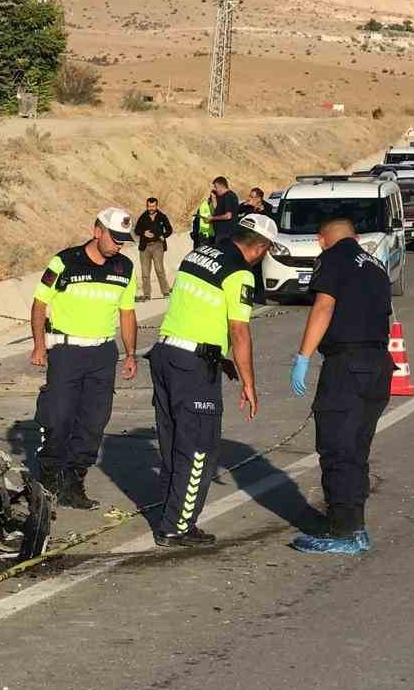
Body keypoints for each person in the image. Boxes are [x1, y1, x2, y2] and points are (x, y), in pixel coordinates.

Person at [147, 211, 276, 547]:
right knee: (199, 447)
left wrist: (218, 357)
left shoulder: (198, 254)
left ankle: (169, 513)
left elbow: (195, 312)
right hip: (192, 367)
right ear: (260, 248)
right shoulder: (240, 273)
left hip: (166, 354)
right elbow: (239, 330)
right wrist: (249, 383)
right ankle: (177, 526)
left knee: (173, 443)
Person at [287, 211, 395, 553]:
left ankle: (342, 532)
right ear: (356, 238)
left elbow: (324, 306)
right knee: (357, 449)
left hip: (347, 365)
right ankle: (354, 525)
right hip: (379, 365)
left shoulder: (332, 258)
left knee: (337, 448)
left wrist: (303, 356)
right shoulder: (376, 265)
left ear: (322, 240)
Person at [29, 208, 139, 510]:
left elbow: (127, 313)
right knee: (58, 417)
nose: (118, 245)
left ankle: (73, 482)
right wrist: (39, 346)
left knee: (94, 422)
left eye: (123, 240)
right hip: (67, 351)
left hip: (103, 354)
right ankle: (49, 475)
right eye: (114, 238)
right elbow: (40, 303)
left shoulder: (125, 268)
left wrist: (131, 354)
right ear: (97, 231)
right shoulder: (64, 262)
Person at [134, 196, 173, 299]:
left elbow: (169, 229)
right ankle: (147, 294)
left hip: (158, 246)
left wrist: (164, 235)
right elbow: (136, 230)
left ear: (156, 206)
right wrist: (144, 233)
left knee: (159, 269)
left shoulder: (162, 216)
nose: (151, 208)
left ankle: (165, 292)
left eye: (153, 206)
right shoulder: (143, 217)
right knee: (145, 273)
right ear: (147, 206)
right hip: (145, 247)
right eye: (149, 206)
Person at [209, 176, 241, 245]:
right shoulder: (221, 196)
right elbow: (217, 211)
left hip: (226, 234)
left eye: (216, 187)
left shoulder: (229, 196)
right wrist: (214, 199)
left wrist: (213, 218)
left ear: (221, 186)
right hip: (220, 233)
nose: (215, 189)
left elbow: (228, 216)